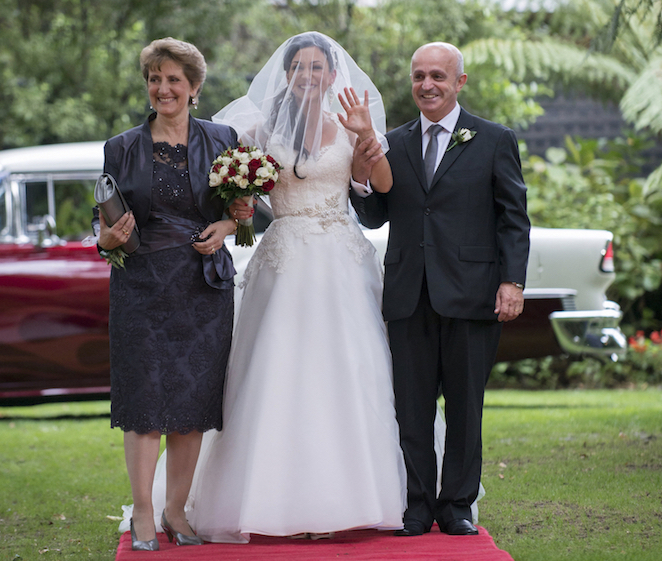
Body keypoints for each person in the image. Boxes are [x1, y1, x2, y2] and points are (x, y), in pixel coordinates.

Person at [144, 31, 406, 543]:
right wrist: (236, 210)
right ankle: (263, 496)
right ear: (286, 75)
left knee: (351, 371)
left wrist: (368, 138)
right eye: (299, 68)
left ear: (333, 76)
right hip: (284, 261)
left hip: (341, 263)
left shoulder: (349, 125)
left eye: (317, 68)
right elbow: (227, 187)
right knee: (275, 371)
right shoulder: (260, 131)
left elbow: (380, 186)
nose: (308, 76)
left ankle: (354, 498)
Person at [351, 42, 530, 537]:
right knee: (410, 407)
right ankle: (415, 505)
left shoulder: (494, 139)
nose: (427, 85)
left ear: (459, 82)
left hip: (473, 294)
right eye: (418, 76)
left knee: (465, 407)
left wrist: (512, 282)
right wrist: (362, 179)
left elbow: (514, 218)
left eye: (437, 76)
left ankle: (456, 506)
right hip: (409, 293)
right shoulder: (394, 142)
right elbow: (373, 216)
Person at [96, 37, 244, 551]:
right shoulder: (122, 146)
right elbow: (104, 223)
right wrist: (104, 240)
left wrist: (225, 226)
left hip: (203, 289)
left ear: (194, 87)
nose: (163, 89)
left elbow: (245, 215)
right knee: (143, 404)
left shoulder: (224, 139)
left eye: (173, 80)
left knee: (192, 404)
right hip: (140, 287)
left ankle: (176, 512)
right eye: (155, 79)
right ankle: (142, 514)